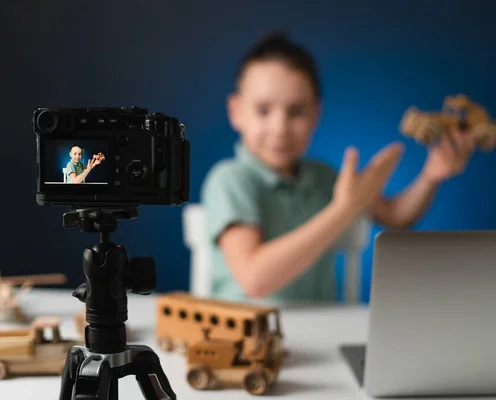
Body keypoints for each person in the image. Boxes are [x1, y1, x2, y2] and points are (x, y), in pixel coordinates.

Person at [200, 32, 476, 305]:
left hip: (322, 332)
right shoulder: (229, 180)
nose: (279, 128)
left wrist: (430, 176)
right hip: (244, 335)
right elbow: (255, 280)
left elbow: (396, 215)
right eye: (263, 110)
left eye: (295, 111)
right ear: (236, 111)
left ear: (315, 114)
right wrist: (344, 209)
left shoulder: (323, 178)